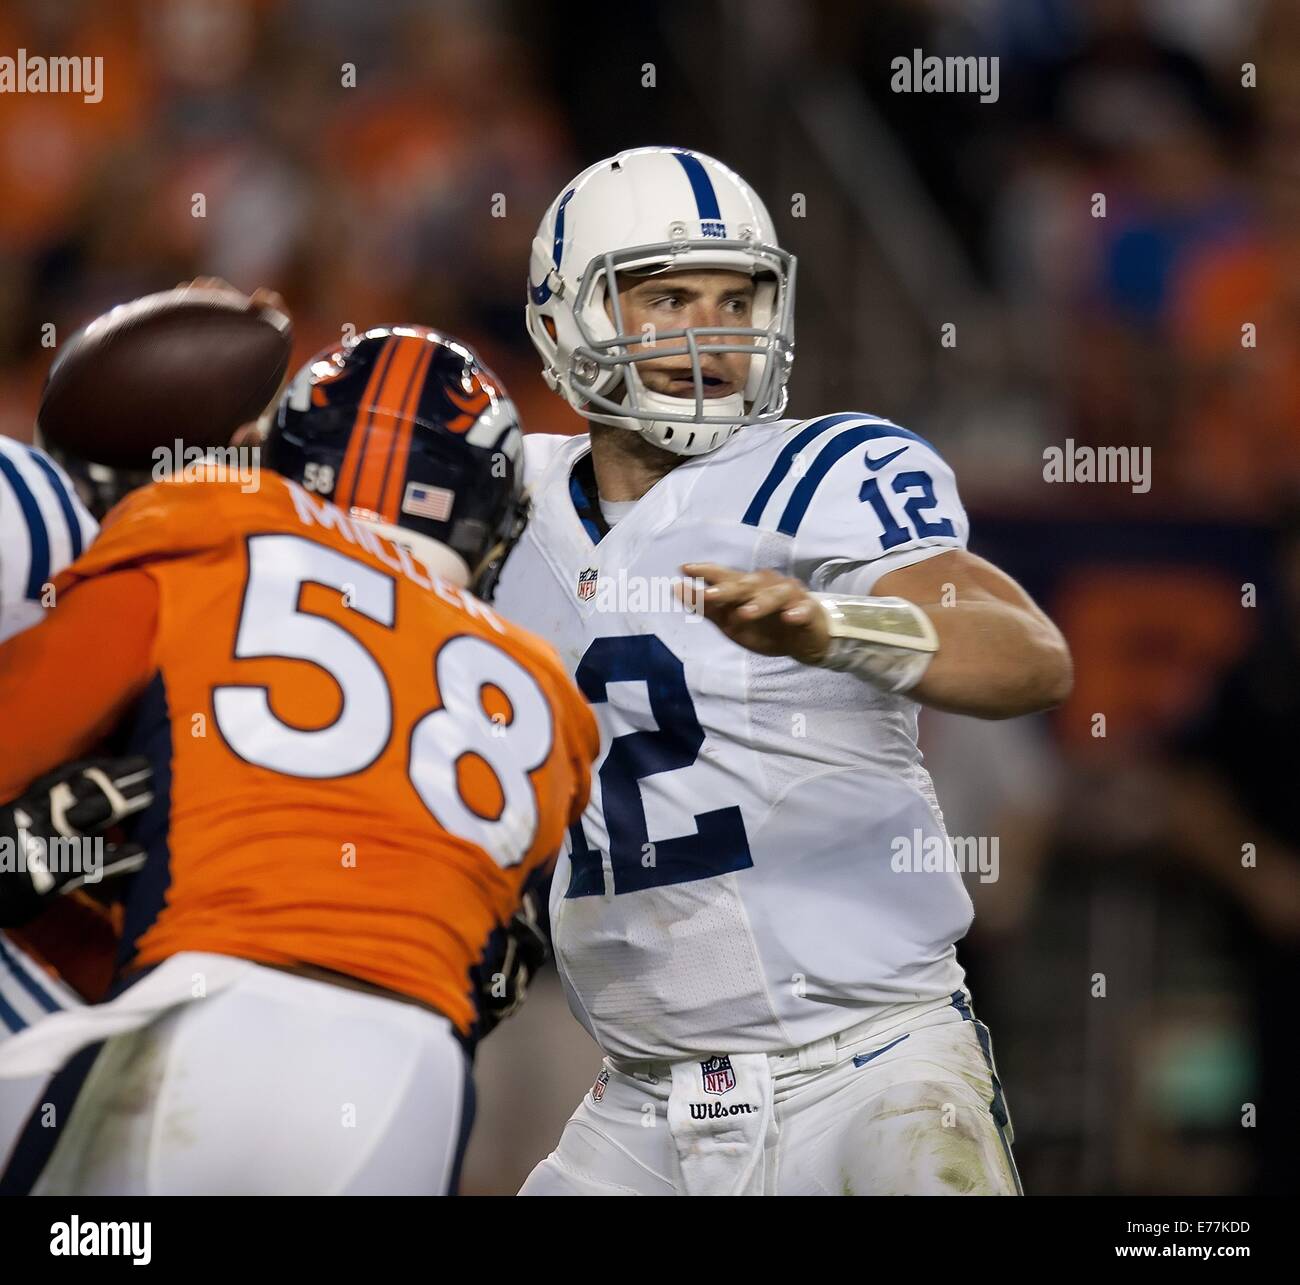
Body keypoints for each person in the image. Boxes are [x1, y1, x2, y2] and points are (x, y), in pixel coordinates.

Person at [494, 147, 1073, 1195]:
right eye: (664, 298)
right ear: (561, 315)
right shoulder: (503, 505)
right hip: (639, 1096)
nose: (709, 334)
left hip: (870, 1064)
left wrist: (833, 627)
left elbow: (1028, 657)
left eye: (736, 297)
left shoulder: (820, 472)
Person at [0, 325, 597, 1195]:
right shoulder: (548, 694)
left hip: (200, 1026)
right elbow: (482, 967)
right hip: (414, 1086)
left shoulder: (207, 530)